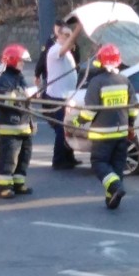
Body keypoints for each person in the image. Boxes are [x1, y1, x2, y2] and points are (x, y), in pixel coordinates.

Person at [72, 44, 138, 209]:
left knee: (99, 162)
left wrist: (76, 122)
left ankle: (115, 187)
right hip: (121, 132)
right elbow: (134, 108)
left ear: (100, 62)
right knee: (117, 165)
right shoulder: (124, 80)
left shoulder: (97, 82)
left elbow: (90, 111)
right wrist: (130, 125)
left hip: (102, 135)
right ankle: (112, 198)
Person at [0, 44, 35, 199]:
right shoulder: (2, 79)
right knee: (8, 160)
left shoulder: (19, 77)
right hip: (11, 128)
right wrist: (24, 96)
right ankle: (4, 187)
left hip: (24, 125)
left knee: (24, 158)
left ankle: (18, 183)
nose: (23, 64)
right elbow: (6, 100)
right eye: (21, 61)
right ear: (13, 60)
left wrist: (30, 94)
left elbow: (24, 96)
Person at [43, 22, 83, 169]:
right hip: (57, 97)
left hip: (67, 96)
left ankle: (69, 156)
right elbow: (67, 46)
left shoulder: (67, 52)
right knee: (62, 129)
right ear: (58, 36)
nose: (69, 37)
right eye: (66, 34)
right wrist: (78, 29)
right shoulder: (55, 50)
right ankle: (58, 159)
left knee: (69, 128)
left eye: (70, 34)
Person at [34, 20, 81, 90]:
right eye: (67, 35)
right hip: (55, 81)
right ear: (60, 35)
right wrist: (37, 73)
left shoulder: (73, 45)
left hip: (67, 83)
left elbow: (76, 60)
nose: (70, 38)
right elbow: (43, 58)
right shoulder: (54, 46)